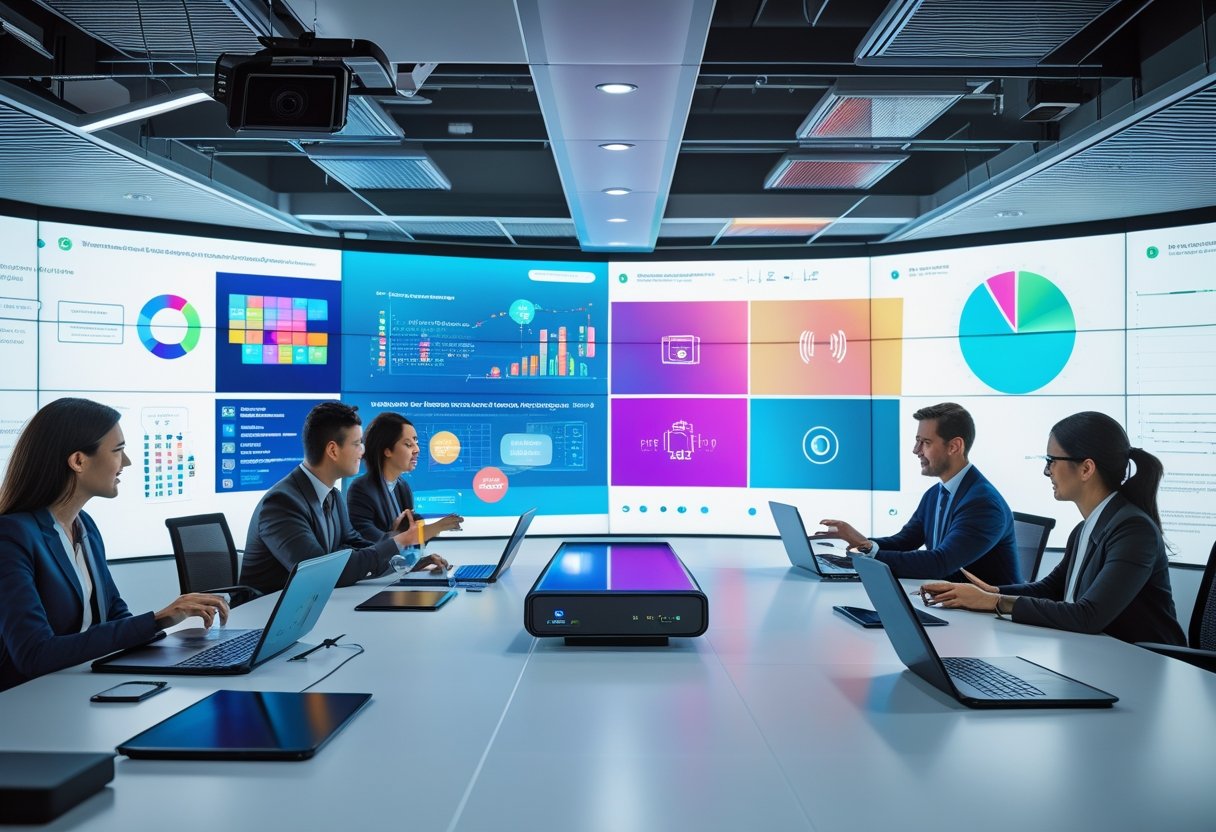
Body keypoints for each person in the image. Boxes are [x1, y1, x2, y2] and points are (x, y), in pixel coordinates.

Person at [0, 398, 229, 691]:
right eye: (118, 450)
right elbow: (34, 655)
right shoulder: (12, 537)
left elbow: (115, 615)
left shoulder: (85, 526)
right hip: (29, 701)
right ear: (79, 461)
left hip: (80, 686)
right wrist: (158, 619)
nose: (128, 462)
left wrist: (182, 643)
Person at [919, 412, 1186, 645]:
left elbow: (1087, 616)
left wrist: (992, 603)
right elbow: (1050, 590)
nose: (1047, 472)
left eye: (1052, 461)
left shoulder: (1133, 530)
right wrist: (993, 592)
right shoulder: (1086, 529)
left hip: (1144, 665)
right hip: (1096, 654)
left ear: (1086, 469)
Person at [239, 402, 450, 594]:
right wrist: (400, 540)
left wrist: (407, 562)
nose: (363, 451)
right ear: (332, 450)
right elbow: (320, 573)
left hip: (308, 606)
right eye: (357, 443)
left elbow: (359, 548)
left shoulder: (333, 496)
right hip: (262, 617)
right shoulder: (282, 503)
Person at [815, 402, 1020, 584]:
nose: (916, 450)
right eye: (917, 441)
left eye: (926, 442)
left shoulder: (983, 504)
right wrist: (861, 543)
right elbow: (905, 541)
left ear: (954, 446)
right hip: (950, 605)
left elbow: (939, 563)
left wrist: (867, 551)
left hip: (988, 620)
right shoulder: (936, 494)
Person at [346, 412, 463, 545]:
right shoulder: (361, 489)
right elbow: (370, 543)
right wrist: (434, 528)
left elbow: (411, 544)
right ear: (387, 450)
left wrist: (423, 560)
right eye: (408, 444)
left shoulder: (402, 486)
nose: (417, 449)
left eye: (416, 442)